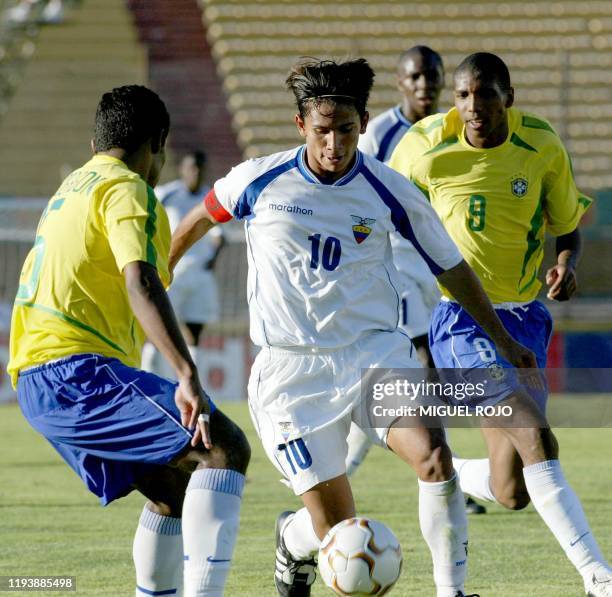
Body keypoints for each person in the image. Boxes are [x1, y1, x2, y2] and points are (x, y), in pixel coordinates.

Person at [170, 57, 538, 597]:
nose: (334, 144)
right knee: (338, 534)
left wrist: (504, 340)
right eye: (322, 131)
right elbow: (198, 219)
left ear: (363, 124)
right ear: (301, 127)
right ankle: (291, 539)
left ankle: (451, 592)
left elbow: (450, 266)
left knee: (434, 458)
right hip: (291, 376)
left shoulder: (387, 188)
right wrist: (159, 274)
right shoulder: (259, 180)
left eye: (346, 130)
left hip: (373, 355)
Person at [7, 85, 250, 597]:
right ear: (156, 143)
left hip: (38, 379)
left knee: (172, 491)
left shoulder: (74, 185)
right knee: (224, 448)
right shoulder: (129, 187)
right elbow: (140, 281)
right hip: (75, 373)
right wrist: (186, 373)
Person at [389, 52, 611, 596]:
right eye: (463, 96)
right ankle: (598, 578)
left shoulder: (541, 145)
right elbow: (377, 209)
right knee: (535, 434)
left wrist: (566, 263)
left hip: (527, 319)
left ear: (507, 97)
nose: (473, 107)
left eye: (485, 94)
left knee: (512, 489)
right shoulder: (422, 147)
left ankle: (443, 466)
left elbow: (568, 228)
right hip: (460, 322)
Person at [351, 45, 486, 515]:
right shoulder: (380, 135)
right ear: (400, 82)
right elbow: (358, 199)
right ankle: (445, 475)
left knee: (415, 378)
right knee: (423, 364)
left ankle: (360, 462)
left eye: (432, 76)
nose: (425, 85)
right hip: (401, 267)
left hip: (441, 264)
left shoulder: (454, 129)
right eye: (416, 78)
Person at [141, 150, 225, 378]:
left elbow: (220, 235)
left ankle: (192, 383)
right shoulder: (167, 194)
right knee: (158, 327)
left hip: (200, 276)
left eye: (199, 167)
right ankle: (149, 375)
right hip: (171, 271)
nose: (195, 172)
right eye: (191, 167)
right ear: (182, 170)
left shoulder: (211, 196)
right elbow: (146, 219)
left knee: (194, 331)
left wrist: (211, 261)